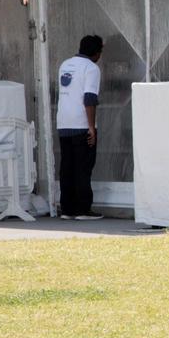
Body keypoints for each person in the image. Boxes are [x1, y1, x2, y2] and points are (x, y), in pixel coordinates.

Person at [57, 34, 104, 220]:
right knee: (83, 167)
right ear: (96, 52)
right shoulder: (91, 68)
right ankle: (84, 209)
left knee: (67, 167)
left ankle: (67, 209)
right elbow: (89, 99)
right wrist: (91, 127)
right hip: (81, 123)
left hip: (63, 123)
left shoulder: (65, 64)